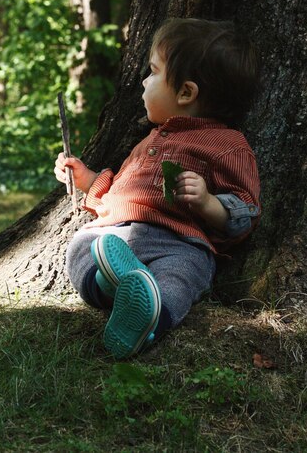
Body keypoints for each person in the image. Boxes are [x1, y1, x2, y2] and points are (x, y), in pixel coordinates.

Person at [54, 18, 261, 359]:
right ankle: (113, 285)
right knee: (81, 245)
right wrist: (88, 181)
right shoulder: (152, 138)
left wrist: (209, 202)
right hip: (117, 233)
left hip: (179, 241)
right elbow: (123, 189)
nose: (144, 81)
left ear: (185, 93)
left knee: (183, 275)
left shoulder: (228, 145)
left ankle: (149, 315)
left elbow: (246, 210)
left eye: (152, 72)